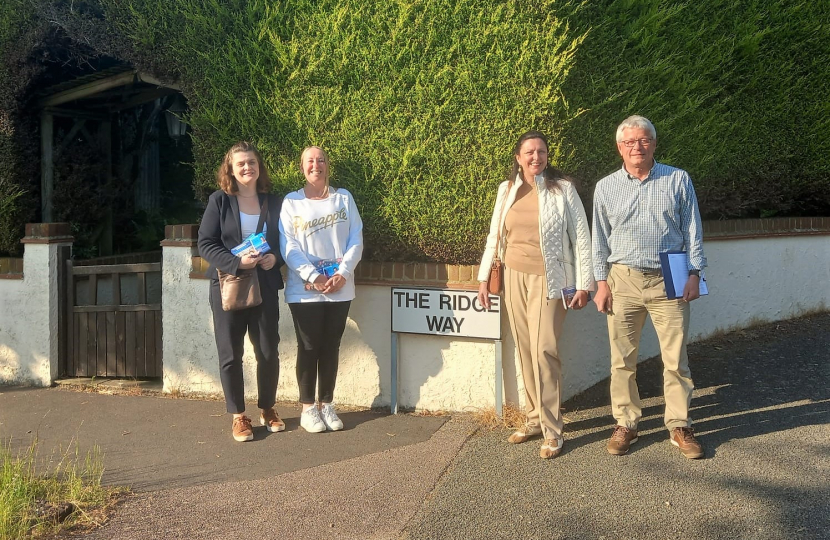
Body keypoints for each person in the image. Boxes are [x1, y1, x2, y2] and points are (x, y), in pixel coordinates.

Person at [592, 115, 707, 459]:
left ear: (654, 144)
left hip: (669, 278)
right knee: (622, 361)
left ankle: (679, 424)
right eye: (629, 142)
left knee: (675, 359)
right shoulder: (605, 187)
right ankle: (626, 422)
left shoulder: (678, 179)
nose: (636, 147)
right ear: (619, 148)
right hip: (622, 280)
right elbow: (599, 239)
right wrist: (600, 282)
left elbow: (693, 231)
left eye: (643, 140)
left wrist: (695, 273)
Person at [477, 131, 594, 459]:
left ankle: (553, 429)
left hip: (551, 279)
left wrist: (584, 284)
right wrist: (484, 277)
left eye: (541, 152)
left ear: (547, 156)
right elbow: (493, 237)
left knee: (544, 349)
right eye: (529, 152)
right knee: (525, 348)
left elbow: (581, 238)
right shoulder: (506, 190)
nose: (535, 158)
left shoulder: (563, 190)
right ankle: (532, 418)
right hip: (513, 275)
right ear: (518, 157)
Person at [198, 141, 286, 442]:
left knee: (268, 351)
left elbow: (287, 242)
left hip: (265, 284)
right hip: (228, 287)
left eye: (251, 162)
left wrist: (277, 258)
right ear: (231, 170)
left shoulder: (274, 202)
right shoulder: (219, 201)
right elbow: (205, 244)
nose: (247, 167)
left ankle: (268, 408)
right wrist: (237, 262)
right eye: (241, 164)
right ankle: (238, 416)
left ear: (258, 166)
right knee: (230, 354)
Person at [279, 146, 364, 433]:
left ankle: (327, 403)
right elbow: (288, 245)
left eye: (321, 160)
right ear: (301, 167)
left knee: (331, 345)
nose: (316, 165)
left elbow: (356, 238)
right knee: (309, 345)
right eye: (310, 161)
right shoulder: (292, 202)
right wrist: (312, 275)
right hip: (304, 289)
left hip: (340, 286)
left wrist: (342, 273)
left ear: (328, 165)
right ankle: (307, 408)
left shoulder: (344, 198)